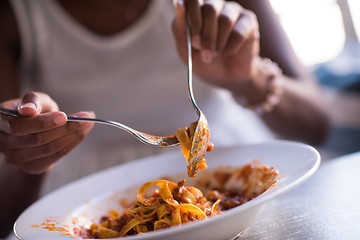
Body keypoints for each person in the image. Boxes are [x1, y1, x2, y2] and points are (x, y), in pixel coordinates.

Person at [0, 0, 330, 238]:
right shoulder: (13, 13)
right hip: (73, 196)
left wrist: (251, 78)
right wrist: (33, 155)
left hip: (241, 174)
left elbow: (317, 123)